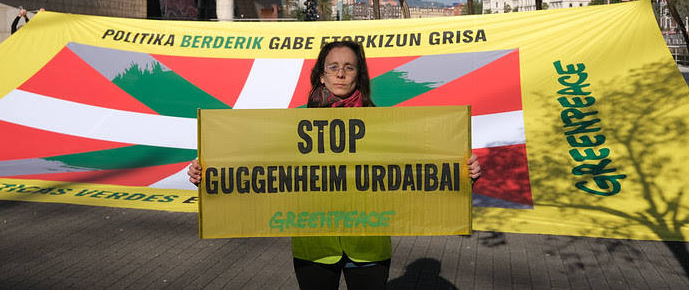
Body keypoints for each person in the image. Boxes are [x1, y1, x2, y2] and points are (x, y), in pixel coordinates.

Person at [187, 40, 482, 289]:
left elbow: (421, 167)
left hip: (368, 244)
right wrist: (208, 171)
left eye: (349, 67)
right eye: (333, 67)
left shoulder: (385, 124)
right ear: (321, 75)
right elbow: (251, 164)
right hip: (314, 245)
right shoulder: (292, 124)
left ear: (358, 75)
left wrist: (463, 171)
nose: (341, 74)